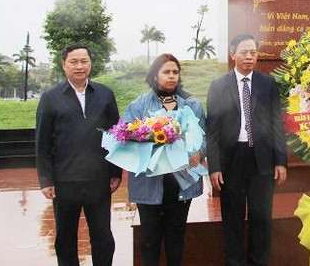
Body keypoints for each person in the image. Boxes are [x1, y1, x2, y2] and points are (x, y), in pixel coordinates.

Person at [35, 43, 122, 266]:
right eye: (73, 62)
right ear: (64, 65)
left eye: (84, 61)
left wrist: (115, 172)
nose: (80, 66)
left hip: (98, 180)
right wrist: (46, 180)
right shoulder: (50, 98)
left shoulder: (105, 94)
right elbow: (42, 142)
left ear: (91, 64)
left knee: (102, 237)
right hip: (65, 182)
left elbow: (116, 135)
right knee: (65, 239)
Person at [207, 33, 288, 266]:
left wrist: (280, 160)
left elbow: (276, 123)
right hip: (232, 161)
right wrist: (215, 166)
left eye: (253, 52)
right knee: (232, 221)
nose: (249, 57)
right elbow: (211, 130)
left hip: (262, 161)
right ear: (233, 55)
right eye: (244, 52)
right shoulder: (218, 86)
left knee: (261, 220)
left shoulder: (267, 83)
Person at [122, 53, 206, 266]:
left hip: (181, 181)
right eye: (166, 72)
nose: (171, 76)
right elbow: (124, 136)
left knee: (176, 233)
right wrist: (146, 138)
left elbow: (205, 135)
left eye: (175, 72)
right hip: (150, 182)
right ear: (155, 75)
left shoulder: (191, 103)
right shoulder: (139, 105)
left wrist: (200, 152)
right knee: (149, 237)